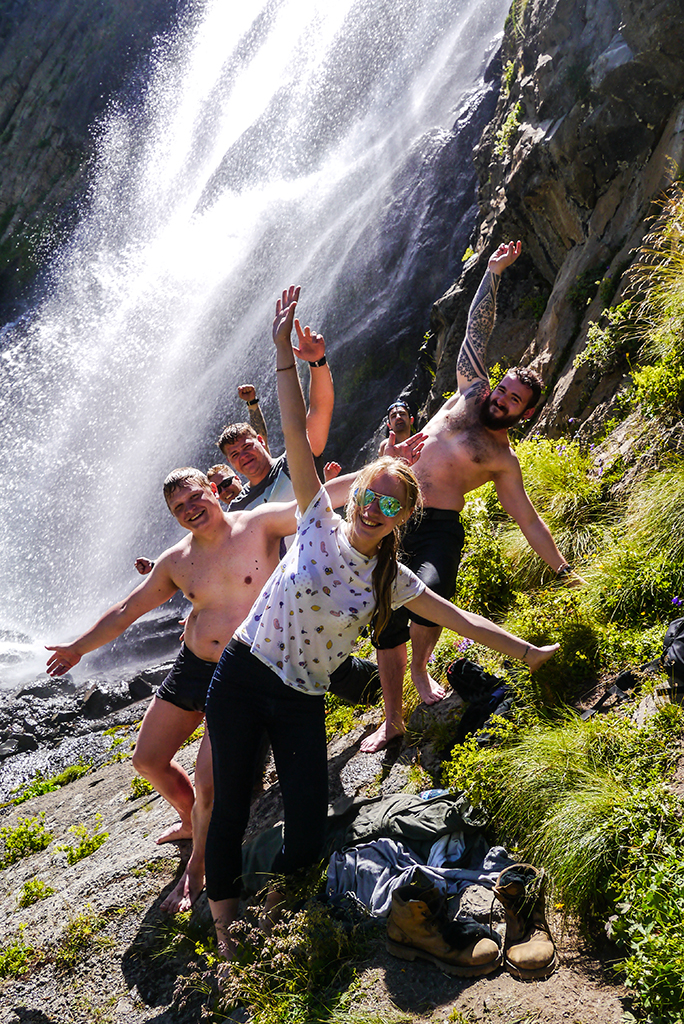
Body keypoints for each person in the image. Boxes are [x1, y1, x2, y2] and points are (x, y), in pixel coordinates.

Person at [203, 285, 559, 957]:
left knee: (308, 830)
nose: (373, 508)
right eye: (369, 495)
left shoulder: (391, 580)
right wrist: (283, 352)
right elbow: (294, 431)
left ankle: (275, 895)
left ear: (405, 517)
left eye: (390, 505)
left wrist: (529, 653)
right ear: (357, 492)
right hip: (245, 674)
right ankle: (225, 930)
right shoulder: (315, 517)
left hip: (302, 697)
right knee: (227, 806)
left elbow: (463, 621)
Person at [46, 469, 298, 913]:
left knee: (209, 784)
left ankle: (197, 868)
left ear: (214, 491)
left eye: (194, 497)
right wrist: (77, 649)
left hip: (241, 671)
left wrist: (382, 471)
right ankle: (190, 820)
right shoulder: (176, 559)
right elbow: (127, 609)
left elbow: (317, 502)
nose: (189, 509)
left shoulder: (259, 523)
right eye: (179, 507)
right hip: (193, 667)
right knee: (147, 759)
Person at [364, 240, 582, 753]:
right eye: (502, 389)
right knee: (383, 614)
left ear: (526, 413)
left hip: (437, 525)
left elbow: (528, 519)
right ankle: (391, 720)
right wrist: (493, 272)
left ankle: (421, 668)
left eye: (513, 400)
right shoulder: (469, 392)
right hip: (391, 510)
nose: (501, 399)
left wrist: (561, 569)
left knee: (430, 595)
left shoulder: (502, 458)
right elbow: (475, 332)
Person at [218, 325, 334, 512]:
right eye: (235, 455)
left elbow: (319, 409)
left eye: (247, 447)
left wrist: (317, 362)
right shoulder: (237, 510)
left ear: (261, 440)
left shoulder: (294, 461)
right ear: (230, 462)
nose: (243, 456)